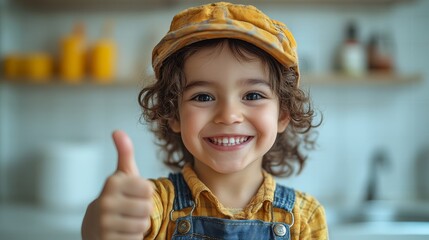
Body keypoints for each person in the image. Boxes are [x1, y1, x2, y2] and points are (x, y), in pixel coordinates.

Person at [82, 2, 328, 239]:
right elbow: (112, 226)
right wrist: (97, 227)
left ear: (282, 114)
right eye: (203, 96)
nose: (229, 115)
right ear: (174, 114)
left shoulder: (305, 217)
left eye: (253, 95)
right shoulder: (152, 207)